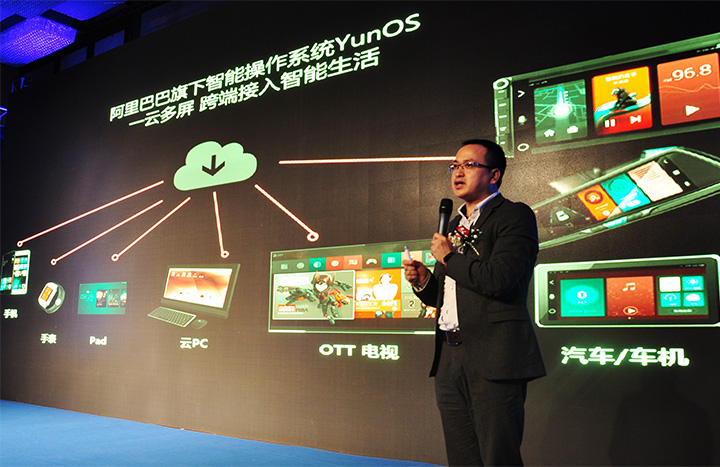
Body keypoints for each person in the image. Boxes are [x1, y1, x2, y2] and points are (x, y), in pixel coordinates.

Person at [402, 139, 545, 466]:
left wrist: (449, 258)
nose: (458, 172)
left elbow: (499, 278)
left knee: (497, 457)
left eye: (469, 165)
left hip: (494, 355)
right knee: (462, 456)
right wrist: (424, 281)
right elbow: (449, 295)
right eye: (454, 165)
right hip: (449, 356)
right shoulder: (454, 226)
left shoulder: (514, 216)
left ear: (494, 175)